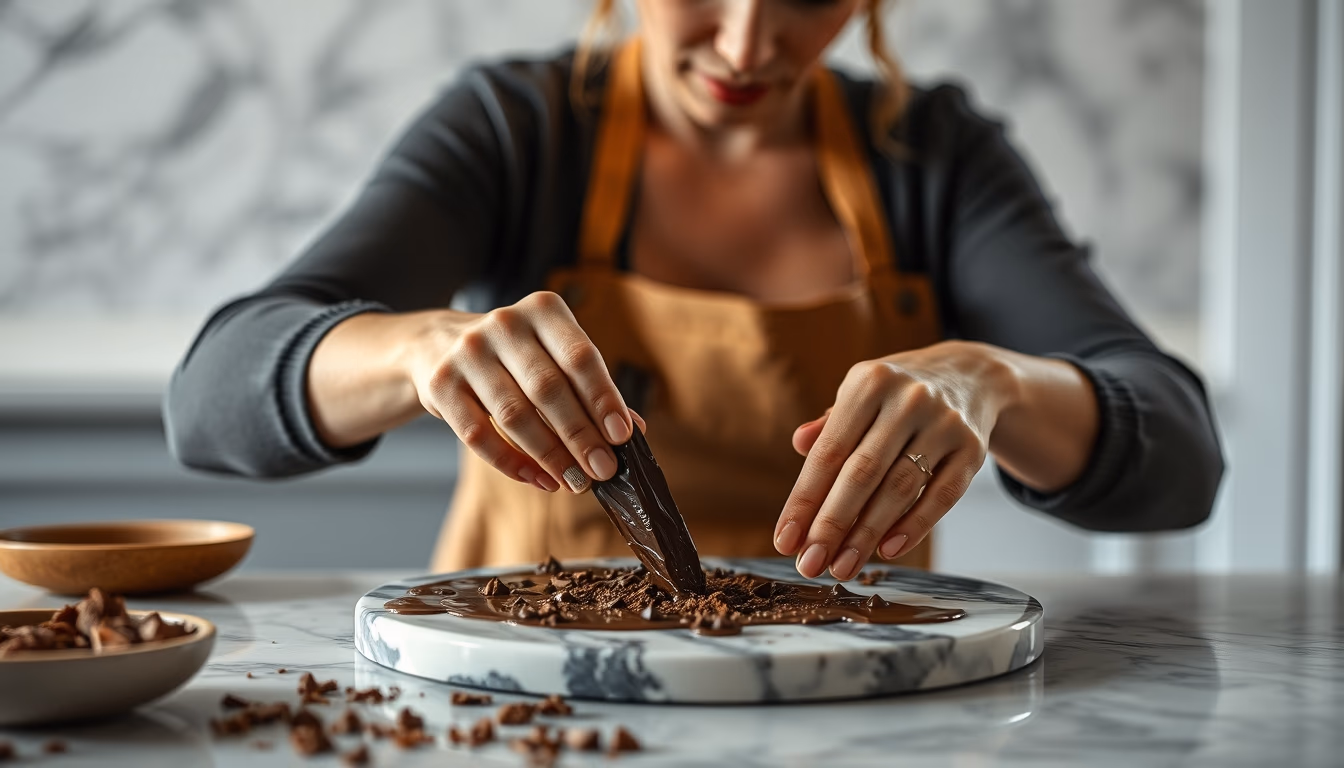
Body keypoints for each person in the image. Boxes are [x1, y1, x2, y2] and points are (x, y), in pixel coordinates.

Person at [165, 0, 1223, 582]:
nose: (746, 43)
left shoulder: (933, 158)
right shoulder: (518, 129)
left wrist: (993, 384)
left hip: (852, 720)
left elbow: (1180, 461)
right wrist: (416, 350)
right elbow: (210, 399)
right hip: (523, 721)